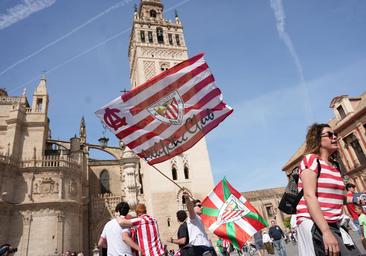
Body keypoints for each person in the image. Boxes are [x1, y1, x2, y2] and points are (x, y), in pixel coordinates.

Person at [296, 123, 361, 255]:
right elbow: (309, 196)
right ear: (317, 139)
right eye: (330, 135)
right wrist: (325, 231)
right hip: (317, 224)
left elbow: (336, 198)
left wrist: (356, 198)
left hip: (335, 223)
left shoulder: (335, 165)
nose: (334, 137)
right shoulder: (311, 160)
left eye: (335, 134)